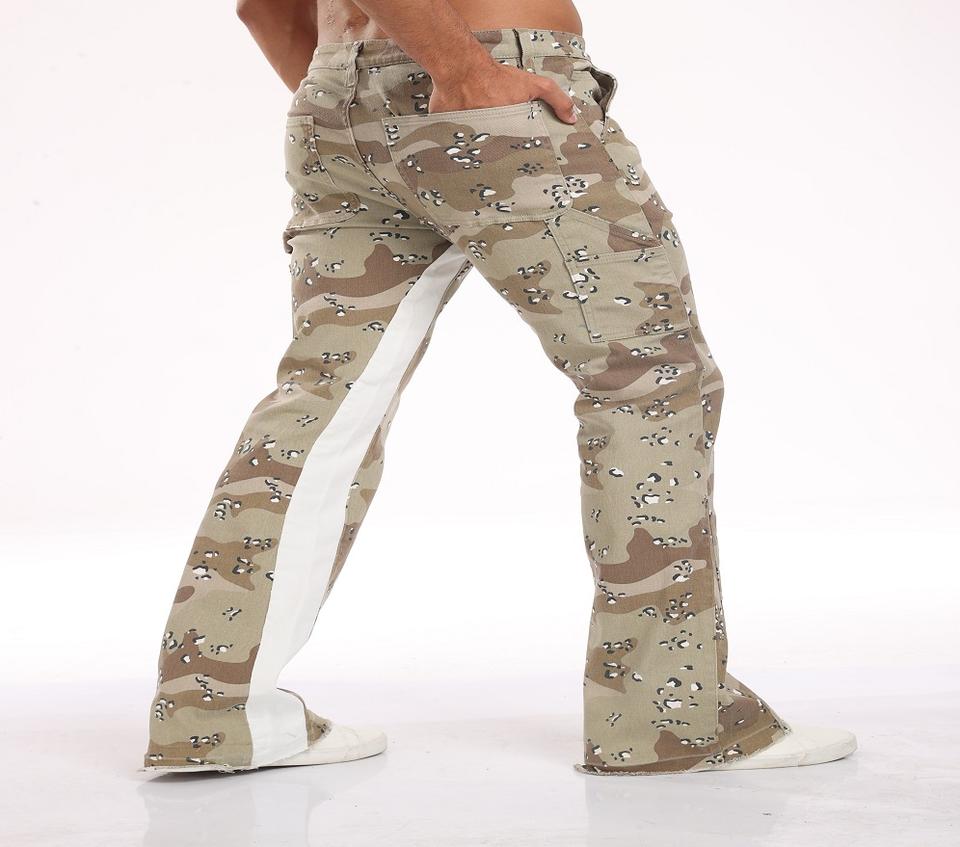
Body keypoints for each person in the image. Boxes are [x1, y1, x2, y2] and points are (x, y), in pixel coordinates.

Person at [142, 0, 856, 776]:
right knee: (648, 380)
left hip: (337, 105)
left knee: (326, 396)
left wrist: (365, 93)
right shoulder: (467, 74)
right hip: (484, 92)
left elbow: (262, 6)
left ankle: (214, 711)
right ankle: (668, 719)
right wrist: (461, 68)